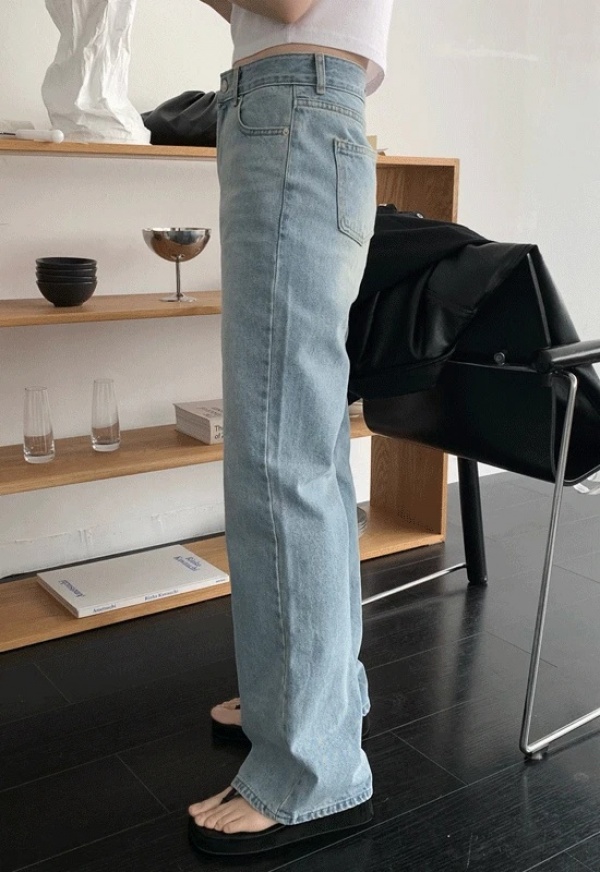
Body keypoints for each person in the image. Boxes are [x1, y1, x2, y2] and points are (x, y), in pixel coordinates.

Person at [188, 0, 393, 856]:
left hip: (292, 112)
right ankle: (305, 701)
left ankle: (313, 770)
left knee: (281, 459)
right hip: (296, 110)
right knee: (304, 454)